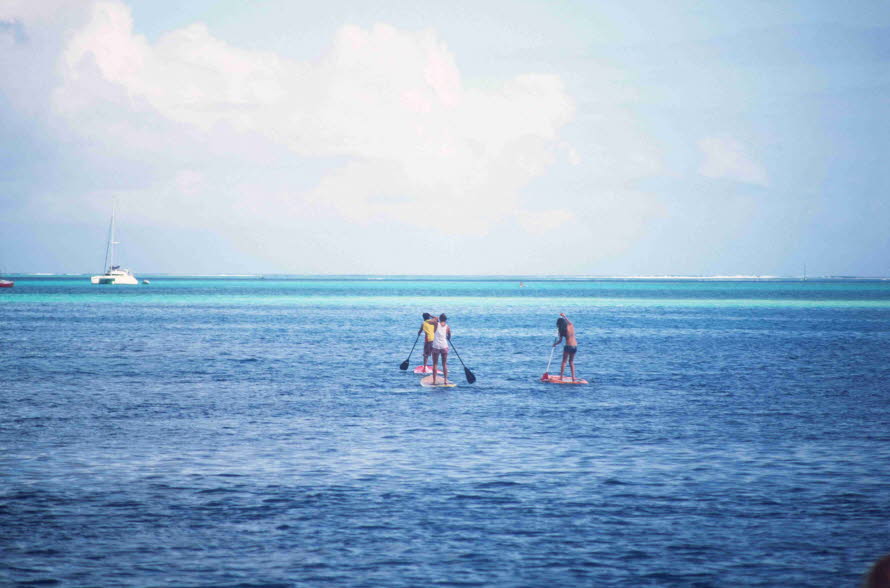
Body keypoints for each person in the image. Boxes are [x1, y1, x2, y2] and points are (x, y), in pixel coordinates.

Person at [553, 312, 578, 382]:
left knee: (564, 362)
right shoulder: (571, 326)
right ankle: (573, 378)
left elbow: (560, 341)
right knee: (571, 361)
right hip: (575, 346)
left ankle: (561, 377)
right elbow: (569, 322)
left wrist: (555, 344)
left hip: (568, 346)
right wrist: (564, 316)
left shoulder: (561, 331)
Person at [431, 313, 451, 385]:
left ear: (440, 319)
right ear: (445, 319)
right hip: (444, 346)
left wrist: (432, 316)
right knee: (444, 364)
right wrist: (447, 337)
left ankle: (434, 381)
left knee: (435, 364)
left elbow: (431, 321)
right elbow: (449, 336)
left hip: (436, 346)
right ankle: (445, 381)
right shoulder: (447, 327)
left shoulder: (436, 324)